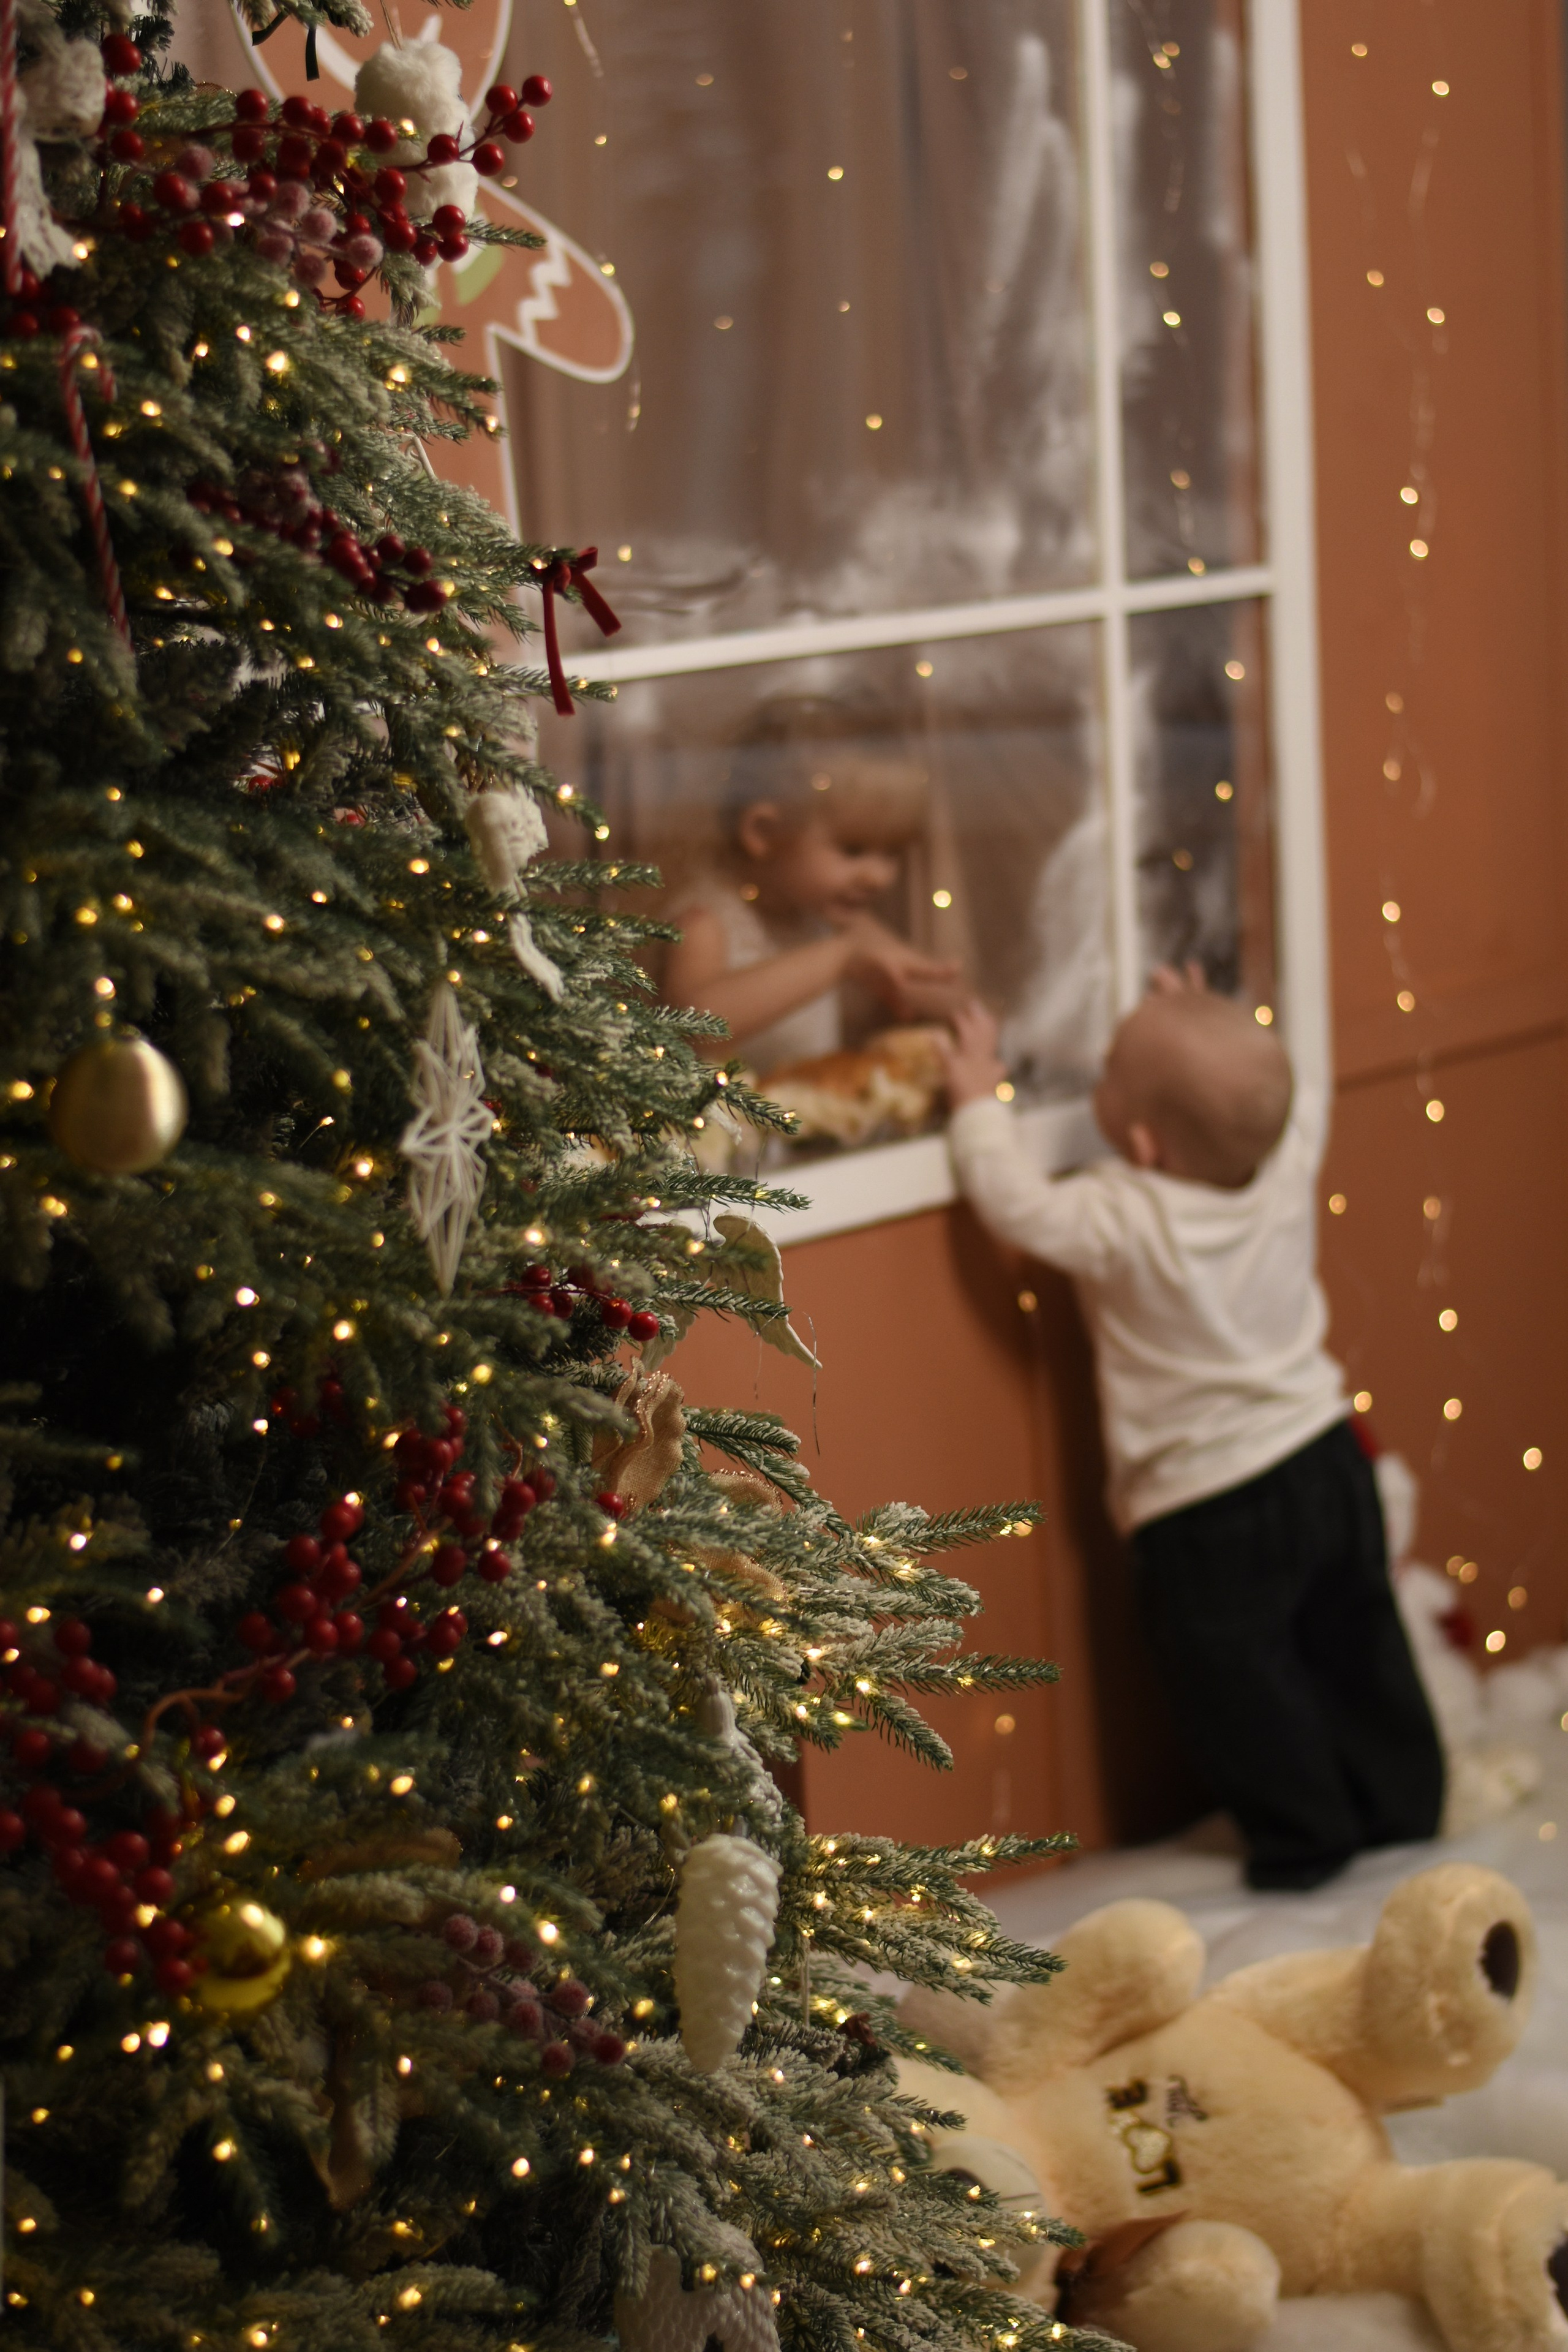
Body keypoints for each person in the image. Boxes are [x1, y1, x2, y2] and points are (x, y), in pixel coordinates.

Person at [942, 968, 1444, 1891]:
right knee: (1358, 1638)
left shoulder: (1125, 1214)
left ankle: (1304, 1838)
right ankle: (1406, 1800)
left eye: (1109, 1073)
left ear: (1139, 1142)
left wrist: (978, 1103)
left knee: (1237, 1681)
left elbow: (1017, 1202)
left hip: (1208, 1508)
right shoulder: (1284, 1166)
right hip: (1328, 1461)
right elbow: (1297, 1098)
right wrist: (1197, 1021)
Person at [661, 707, 965, 1077]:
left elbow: (945, 998)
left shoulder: (832, 918)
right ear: (764, 833)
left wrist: (953, 1002)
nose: (880, 876)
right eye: (853, 849)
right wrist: (839, 959)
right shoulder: (705, 923)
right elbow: (696, 1030)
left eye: (893, 853)